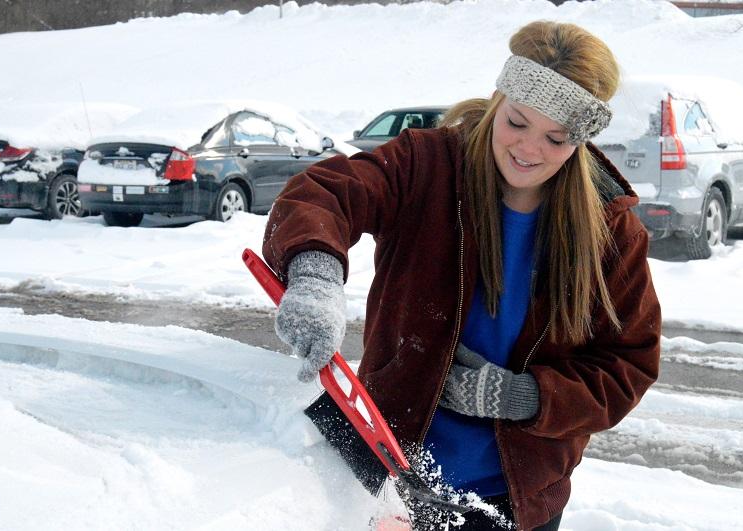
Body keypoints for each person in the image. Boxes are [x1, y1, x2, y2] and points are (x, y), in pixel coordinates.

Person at [263, 20, 661, 531]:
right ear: (498, 98)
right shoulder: (425, 167)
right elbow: (325, 193)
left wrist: (529, 397)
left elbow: (628, 364)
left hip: (517, 505)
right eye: (517, 122)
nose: (530, 149)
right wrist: (315, 272)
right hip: (388, 484)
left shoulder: (610, 229)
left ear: (579, 142)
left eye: (556, 138)